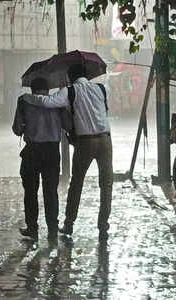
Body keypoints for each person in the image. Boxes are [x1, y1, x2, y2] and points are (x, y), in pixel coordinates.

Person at [21, 64, 113, 241]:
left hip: (85, 142)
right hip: (105, 140)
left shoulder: (70, 92)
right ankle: (103, 225)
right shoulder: (101, 89)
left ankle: (69, 224)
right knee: (106, 184)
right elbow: (104, 111)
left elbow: (47, 102)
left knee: (77, 183)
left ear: (70, 78)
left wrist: (27, 97)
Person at [13, 77, 68, 241]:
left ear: (32, 89)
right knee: (51, 192)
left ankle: (32, 228)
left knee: (30, 192)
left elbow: (16, 129)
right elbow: (67, 125)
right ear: (48, 90)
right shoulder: (57, 102)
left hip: (32, 151)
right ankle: (52, 229)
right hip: (52, 151)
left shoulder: (23, 101)